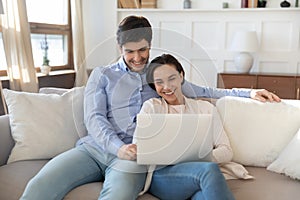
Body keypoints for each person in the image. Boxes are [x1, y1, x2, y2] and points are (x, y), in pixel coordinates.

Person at [20, 15, 280, 200]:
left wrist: (249, 92)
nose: (137, 57)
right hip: (94, 149)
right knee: (40, 184)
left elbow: (206, 92)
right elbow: (94, 118)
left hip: (136, 157)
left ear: (150, 45)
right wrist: (117, 147)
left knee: (118, 196)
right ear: (119, 48)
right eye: (130, 51)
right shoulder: (103, 75)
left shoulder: (159, 76)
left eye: (142, 50)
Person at [136, 53, 239, 199]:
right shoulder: (152, 107)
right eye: (159, 82)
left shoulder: (206, 108)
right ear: (154, 85)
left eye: (172, 78)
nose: (167, 87)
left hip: (197, 173)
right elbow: (139, 147)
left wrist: (194, 159)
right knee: (208, 170)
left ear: (181, 76)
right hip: (163, 176)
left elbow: (227, 151)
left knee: (204, 195)